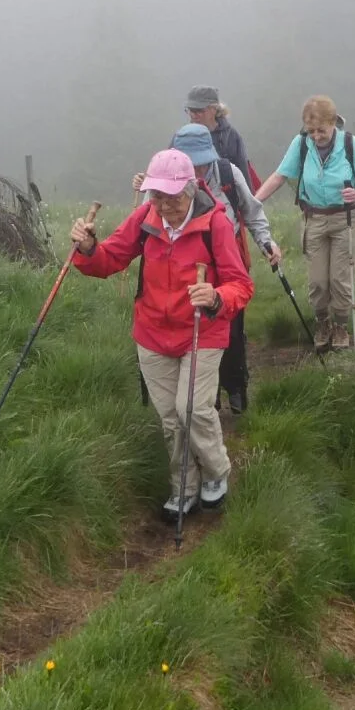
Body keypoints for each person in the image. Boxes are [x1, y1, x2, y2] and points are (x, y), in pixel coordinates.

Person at [71, 149, 253, 523]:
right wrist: (88, 249)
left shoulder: (215, 223)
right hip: (153, 333)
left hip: (202, 330)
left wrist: (217, 297)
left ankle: (216, 472)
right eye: (157, 195)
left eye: (173, 197)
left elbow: (241, 284)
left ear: (190, 189)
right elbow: (109, 261)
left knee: (194, 409)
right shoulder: (145, 218)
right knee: (171, 418)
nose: (165, 205)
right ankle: (183, 488)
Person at [133, 123, 282, 414]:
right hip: (185, 268)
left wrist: (266, 243)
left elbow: (251, 211)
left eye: (202, 162)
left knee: (233, 334)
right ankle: (206, 402)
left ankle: (237, 389)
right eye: (192, 163)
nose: (198, 170)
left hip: (229, 262)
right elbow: (150, 221)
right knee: (200, 335)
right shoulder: (168, 182)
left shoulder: (228, 174)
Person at [254, 95, 355, 352]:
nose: (316, 136)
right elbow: (279, 176)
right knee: (318, 281)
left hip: (346, 219)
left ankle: (341, 326)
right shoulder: (301, 144)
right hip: (314, 219)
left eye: (321, 130)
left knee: (340, 280)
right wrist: (253, 202)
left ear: (334, 123)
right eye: (311, 131)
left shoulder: (350, 144)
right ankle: (322, 322)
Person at [184, 86, 259, 190]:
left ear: (214, 109)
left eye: (198, 110)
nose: (193, 115)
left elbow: (243, 175)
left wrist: (248, 203)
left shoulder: (231, 136)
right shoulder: (183, 137)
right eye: (190, 110)